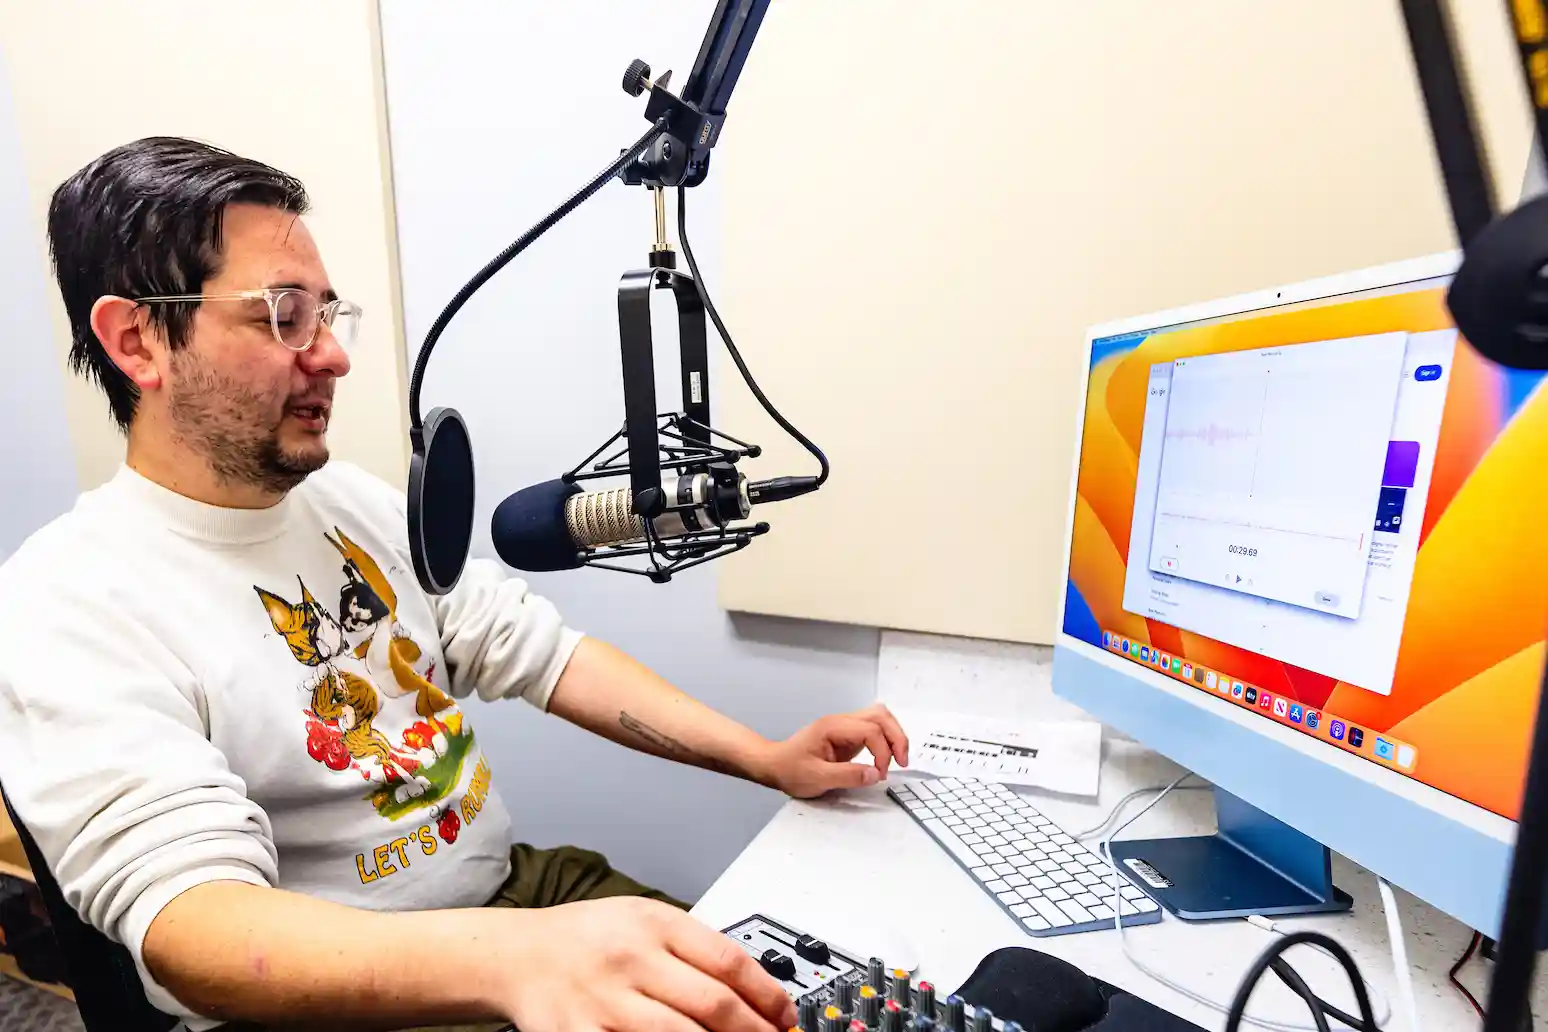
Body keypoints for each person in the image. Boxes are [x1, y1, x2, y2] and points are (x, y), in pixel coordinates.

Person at [0, 136, 910, 1032]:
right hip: (360, 1001)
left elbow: (538, 653)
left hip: (515, 895)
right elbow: (192, 925)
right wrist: (518, 963)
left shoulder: (346, 501)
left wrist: (764, 757)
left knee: (783, 996)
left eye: (327, 313)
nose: (331, 355)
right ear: (137, 341)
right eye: (282, 315)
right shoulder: (67, 603)